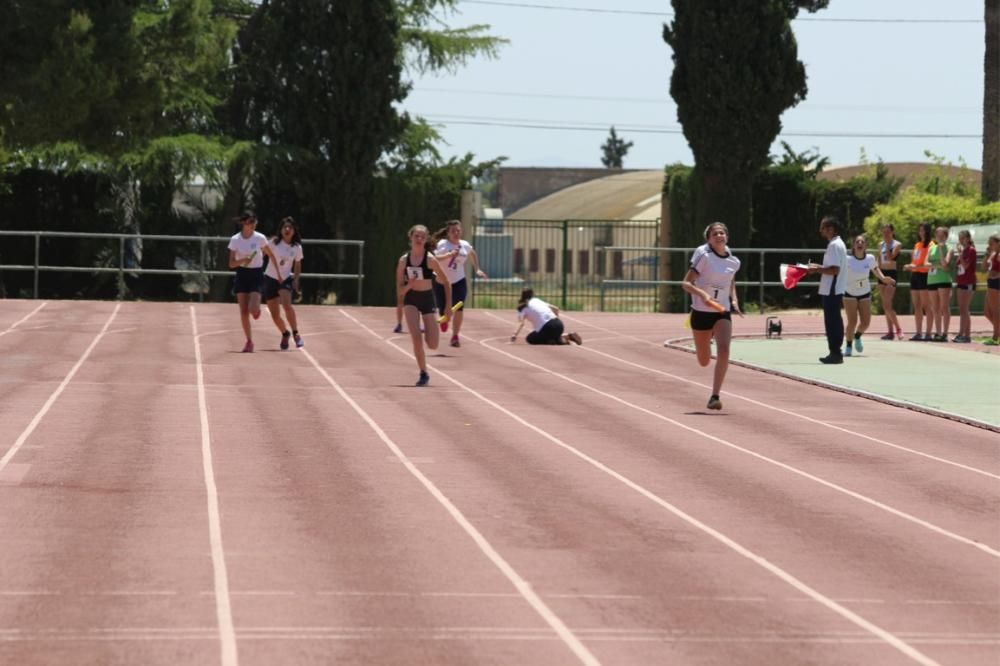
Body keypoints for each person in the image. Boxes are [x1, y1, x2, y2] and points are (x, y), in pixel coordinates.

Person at [680, 221, 742, 410]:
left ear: (727, 237)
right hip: (701, 312)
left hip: (721, 311)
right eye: (715, 234)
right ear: (709, 239)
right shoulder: (704, 257)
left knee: (724, 350)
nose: (719, 236)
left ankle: (715, 396)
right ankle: (705, 341)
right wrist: (703, 295)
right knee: (704, 361)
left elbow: (730, 281)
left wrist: (733, 301)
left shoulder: (734, 261)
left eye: (722, 233)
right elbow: (686, 283)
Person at [396, 225, 452, 386]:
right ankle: (423, 373)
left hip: (427, 299)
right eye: (416, 236)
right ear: (410, 238)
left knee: (433, 345)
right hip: (411, 300)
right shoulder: (403, 261)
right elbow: (400, 291)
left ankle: (429, 326)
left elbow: (446, 282)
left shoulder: (430, 260)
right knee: (416, 338)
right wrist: (409, 285)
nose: (419, 239)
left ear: (426, 239)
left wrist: (447, 307)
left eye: (422, 237)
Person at [432, 220, 487, 347]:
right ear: (448, 233)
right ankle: (444, 316)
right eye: (453, 231)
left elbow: (472, 253)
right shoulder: (443, 244)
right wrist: (448, 255)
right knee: (443, 310)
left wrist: (477, 268)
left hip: (458, 281)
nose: (456, 233)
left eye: (458, 230)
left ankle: (455, 336)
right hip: (442, 282)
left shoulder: (464, 245)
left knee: (459, 306)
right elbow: (434, 259)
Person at [842, 235, 895, 356]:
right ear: (854, 245)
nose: (860, 243)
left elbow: (876, 270)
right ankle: (849, 346)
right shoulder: (847, 259)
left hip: (864, 292)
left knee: (866, 322)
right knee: (852, 321)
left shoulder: (870, 258)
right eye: (857, 242)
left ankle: (857, 336)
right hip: (849, 292)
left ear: (865, 245)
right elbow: (837, 271)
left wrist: (883, 278)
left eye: (862, 242)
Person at [807, 215, 848, 364]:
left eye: (823, 228)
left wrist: (817, 269)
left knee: (832, 320)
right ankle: (835, 351)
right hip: (833, 288)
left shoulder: (834, 245)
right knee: (834, 319)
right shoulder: (837, 244)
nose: (821, 231)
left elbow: (834, 270)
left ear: (831, 229)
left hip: (833, 288)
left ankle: (835, 352)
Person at [228, 211, 268, 353]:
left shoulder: (260, 238)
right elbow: (231, 264)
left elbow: (270, 253)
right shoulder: (235, 239)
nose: (253, 224)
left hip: (257, 273)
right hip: (242, 274)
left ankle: (256, 310)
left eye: (254, 222)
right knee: (244, 311)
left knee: (252, 308)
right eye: (250, 222)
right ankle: (249, 341)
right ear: (244, 223)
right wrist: (242, 261)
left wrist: (276, 270)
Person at [262, 216, 304, 350]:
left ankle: (296, 333)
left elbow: (297, 264)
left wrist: (296, 280)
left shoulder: (296, 248)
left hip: (285, 279)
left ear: (294, 231)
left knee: (286, 305)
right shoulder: (274, 243)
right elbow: (261, 253)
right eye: (284, 227)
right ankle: (285, 334)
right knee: (275, 315)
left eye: (290, 228)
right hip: (270, 278)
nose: (287, 229)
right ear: (280, 230)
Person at [510, 289, 582, 346]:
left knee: (530, 339)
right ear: (532, 295)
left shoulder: (522, 308)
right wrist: (555, 320)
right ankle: (567, 336)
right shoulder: (536, 300)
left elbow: (521, 323)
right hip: (559, 324)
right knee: (550, 334)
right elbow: (556, 308)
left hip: (547, 328)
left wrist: (514, 335)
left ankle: (554, 340)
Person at [902, 222, 933, 341]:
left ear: (928, 231)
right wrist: (910, 266)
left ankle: (928, 333)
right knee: (917, 306)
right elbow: (915, 261)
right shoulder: (917, 245)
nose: (921, 232)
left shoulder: (931, 245)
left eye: (923, 230)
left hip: (924, 276)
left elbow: (925, 263)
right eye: (920, 230)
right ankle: (918, 332)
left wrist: (913, 266)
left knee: (926, 305)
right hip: (915, 275)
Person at [925, 226, 953, 341]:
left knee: (944, 307)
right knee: (935, 308)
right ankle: (938, 332)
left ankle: (945, 333)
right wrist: (938, 266)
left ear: (946, 237)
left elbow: (945, 264)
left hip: (944, 280)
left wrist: (941, 250)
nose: (940, 238)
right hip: (932, 280)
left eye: (942, 236)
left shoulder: (949, 248)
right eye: (938, 235)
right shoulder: (931, 248)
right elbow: (925, 263)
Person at [877, 224, 903, 340]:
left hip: (891, 274)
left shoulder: (897, 244)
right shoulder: (880, 244)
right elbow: (879, 260)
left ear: (892, 232)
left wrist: (887, 246)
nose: (885, 234)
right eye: (884, 232)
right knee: (885, 305)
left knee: (888, 304)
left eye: (888, 232)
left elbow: (890, 257)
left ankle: (898, 329)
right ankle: (890, 332)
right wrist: (878, 273)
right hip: (882, 275)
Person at [953, 229, 976, 343]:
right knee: (961, 309)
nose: (960, 240)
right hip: (961, 282)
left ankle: (966, 335)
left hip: (969, 282)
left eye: (962, 238)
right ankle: (962, 333)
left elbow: (966, 266)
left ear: (968, 238)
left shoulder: (971, 250)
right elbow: (959, 267)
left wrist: (960, 254)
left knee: (965, 309)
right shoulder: (963, 251)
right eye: (959, 238)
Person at [984, 233, 1000, 346]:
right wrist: (987, 254)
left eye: (991, 243)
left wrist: (996, 276)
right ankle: (998, 332)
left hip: (996, 283)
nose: (989, 245)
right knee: (987, 312)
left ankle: (995, 337)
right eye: (988, 243)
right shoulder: (993, 254)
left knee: (995, 311)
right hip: (990, 283)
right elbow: (984, 267)